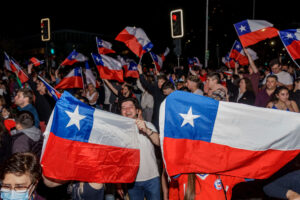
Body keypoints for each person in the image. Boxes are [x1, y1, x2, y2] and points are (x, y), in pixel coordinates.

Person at [117, 97, 160, 200]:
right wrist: (118, 183)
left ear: (137, 111)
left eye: (130, 107)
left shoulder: (148, 125)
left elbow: (159, 142)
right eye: (124, 108)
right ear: (121, 112)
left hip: (152, 178)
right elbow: (117, 158)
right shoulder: (118, 131)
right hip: (132, 180)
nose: (127, 110)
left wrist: (146, 130)